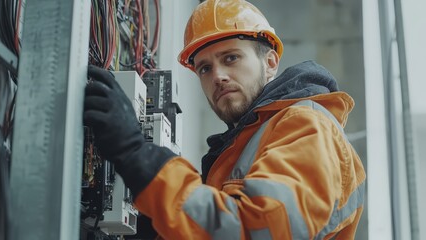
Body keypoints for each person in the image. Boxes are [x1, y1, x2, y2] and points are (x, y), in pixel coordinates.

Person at [83, 0, 366, 239]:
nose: (217, 76)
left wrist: (138, 156)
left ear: (270, 63)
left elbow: (254, 228)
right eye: (205, 68)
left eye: (230, 58)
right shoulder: (240, 147)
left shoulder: (308, 126)